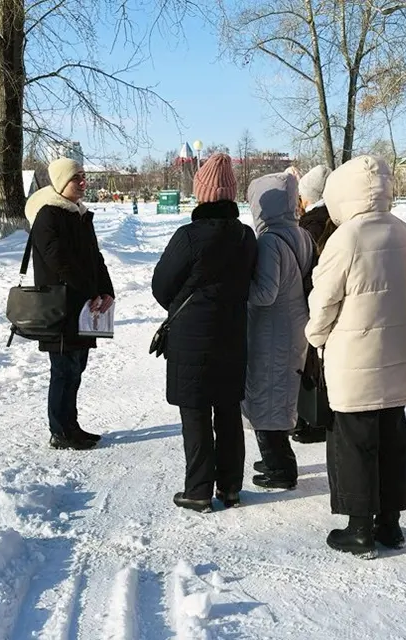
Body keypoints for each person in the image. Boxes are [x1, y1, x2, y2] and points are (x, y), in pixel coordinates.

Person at [306, 155, 406, 559]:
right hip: (398, 357)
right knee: (393, 439)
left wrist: (315, 336)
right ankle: (390, 525)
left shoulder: (347, 238)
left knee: (353, 442)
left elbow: (323, 301)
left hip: (353, 359)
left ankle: (359, 528)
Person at [151, 154, 258, 513]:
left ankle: (198, 490)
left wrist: (182, 308)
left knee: (195, 412)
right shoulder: (246, 237)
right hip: (233, 334)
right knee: (228, 411)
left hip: (192, 338)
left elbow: (162, 284)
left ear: (202, 194)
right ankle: (230, 488)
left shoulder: (189, 236)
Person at [25, 157, 115, 450]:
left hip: (82, 306)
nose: (83, 182)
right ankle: (59, 430)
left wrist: (106, 290)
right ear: (62, 181)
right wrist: (91, 291)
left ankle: (71, 425)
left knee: (77, 369)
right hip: (60, 307)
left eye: (84, 176)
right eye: (77, 177)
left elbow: (95, 258)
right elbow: (59, 262)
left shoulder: (81, 214)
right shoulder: (48, 216)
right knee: (63, 370)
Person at [243, 172, 316, 489]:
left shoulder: (270, 241)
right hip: (294, 323)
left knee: (267, 395)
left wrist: (237, 286)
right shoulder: (302, 234)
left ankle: (280, 467)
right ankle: (276, 457)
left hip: (273, 328)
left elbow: (265, 293)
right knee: (282, 391)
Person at [292, 164, 334, 445]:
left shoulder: (310, 224)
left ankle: (314, 419)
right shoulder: (335, 219)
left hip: (313, 298)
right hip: (326, 297)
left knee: (313, 361)